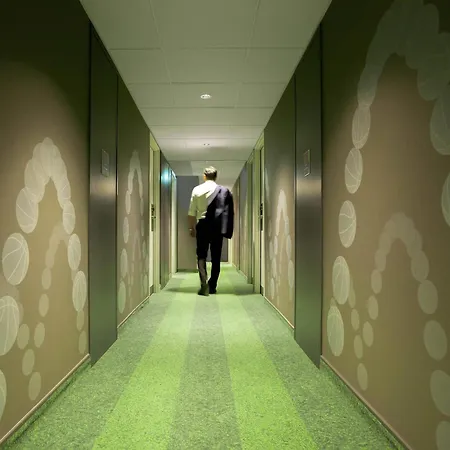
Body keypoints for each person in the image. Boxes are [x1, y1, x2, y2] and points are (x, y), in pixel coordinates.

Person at [188, 166, 234, 296]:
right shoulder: (224, 191)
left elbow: (191, 212)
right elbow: (228, 213)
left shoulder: (197, 190)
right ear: (216, 176)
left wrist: (191, 227)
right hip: (217, 227)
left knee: (201, 255)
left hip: (202, 225)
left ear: (204, 176)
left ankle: (204, 284)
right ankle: (212, 285)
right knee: (216, 256)